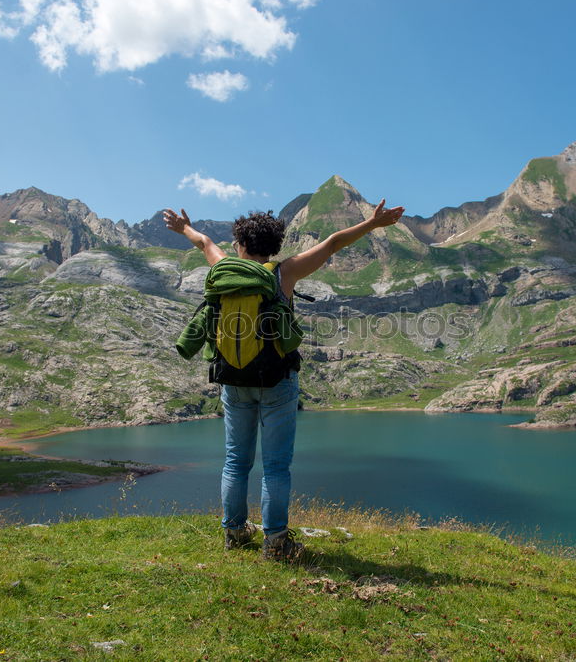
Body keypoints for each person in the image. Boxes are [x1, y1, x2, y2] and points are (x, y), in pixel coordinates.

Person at [163, 199, 404, 560]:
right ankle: (275, 543)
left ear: (240, 245)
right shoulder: (284, 272)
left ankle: (234, 533)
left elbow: (203, 243)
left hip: (232, 379)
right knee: (275, 466)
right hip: (277, 381)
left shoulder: (223, 266)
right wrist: (371, 224)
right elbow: (334, 243)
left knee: (235, 461)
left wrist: (184, 227)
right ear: (275, 246)